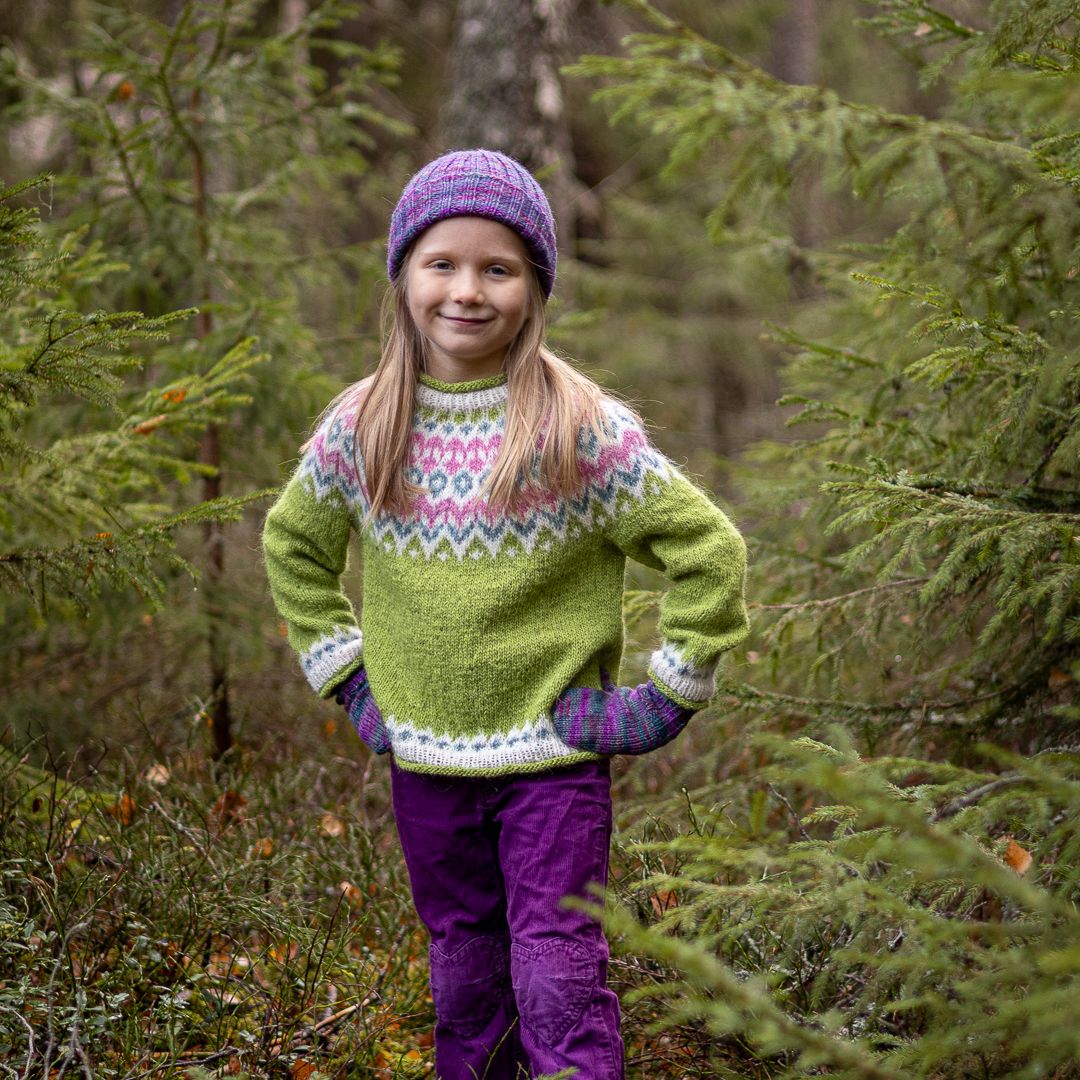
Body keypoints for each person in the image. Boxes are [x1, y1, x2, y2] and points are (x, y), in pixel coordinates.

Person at [263, 148, 749, 1079]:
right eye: (442, 263)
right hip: (425, 764)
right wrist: (352, 680)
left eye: (499, 269)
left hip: (553, 762)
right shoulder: (365, 425)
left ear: (534, 288)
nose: (467, 291)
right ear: (404, 275)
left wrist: (667, 693)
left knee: (559, 972)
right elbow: (294, 547)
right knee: (464, 970)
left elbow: (708, 548)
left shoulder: (577, 427)